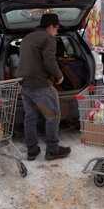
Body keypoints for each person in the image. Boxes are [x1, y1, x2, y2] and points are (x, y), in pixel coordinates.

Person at [16, 13, 71, 161]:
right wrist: (59, 76)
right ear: (50, 26)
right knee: (53, 115)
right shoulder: (48, 38)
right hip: (40, 85)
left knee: (30, 117)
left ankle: (32, 150)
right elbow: (49, 61)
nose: (57, 31)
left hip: (24, 84)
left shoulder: (27, 38)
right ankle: (53, 150)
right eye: (57, 27)